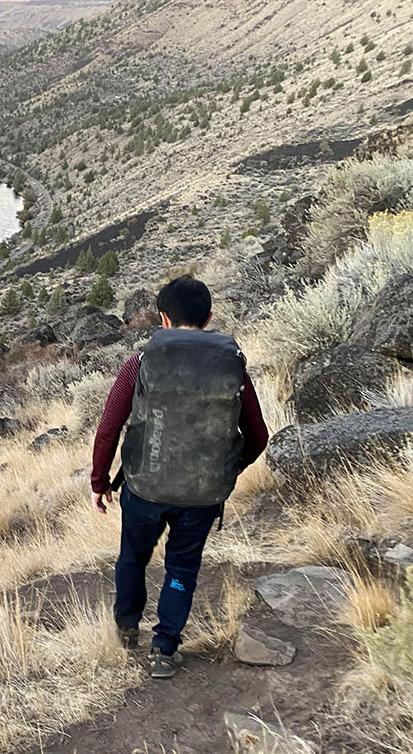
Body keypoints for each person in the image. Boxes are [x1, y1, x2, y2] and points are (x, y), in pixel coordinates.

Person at [91, 275, 268, 678]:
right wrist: (229, 468)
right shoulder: (231, 366)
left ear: (164, 320)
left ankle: (125, 627)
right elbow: (258, 435)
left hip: (143, 487)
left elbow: (108, 429)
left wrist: (100, 483)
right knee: (182, 569)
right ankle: (164, 648)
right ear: (208, 318)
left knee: (133, 558)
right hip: (203, 494)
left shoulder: (140, 362)